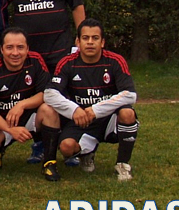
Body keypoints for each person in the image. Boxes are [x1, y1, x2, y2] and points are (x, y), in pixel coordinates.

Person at [5, 0, 85, 165]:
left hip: (60, 48)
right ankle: (40, 144)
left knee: (66, 96)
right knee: (35, 97)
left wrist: (81, 37)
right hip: (29, 54)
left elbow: (76, 4)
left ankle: (70, 144)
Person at [44, 18, 139, 181]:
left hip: (109, 119)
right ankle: (87, 153)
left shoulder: (115, 61)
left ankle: (123, 164)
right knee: (66, 147)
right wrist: (74, 110)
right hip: (81, 120)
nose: (90, 42)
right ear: (78, 42)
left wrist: (96, 110)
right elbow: (49, 94)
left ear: (102, 42)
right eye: (85, 38)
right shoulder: (67, 63)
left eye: (95, 38)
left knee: (127, 113)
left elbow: (130, 95)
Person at [0, 27, 61, 181]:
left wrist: (21, 105)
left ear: (27, 48)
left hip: (29, 116)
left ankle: (49, 162)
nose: (15, 53)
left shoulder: (35, 60)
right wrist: (10, 129)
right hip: (2, 121)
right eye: (10, 47)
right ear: (1, 49)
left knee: (49, 109)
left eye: (20, 47)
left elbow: (46, 93)